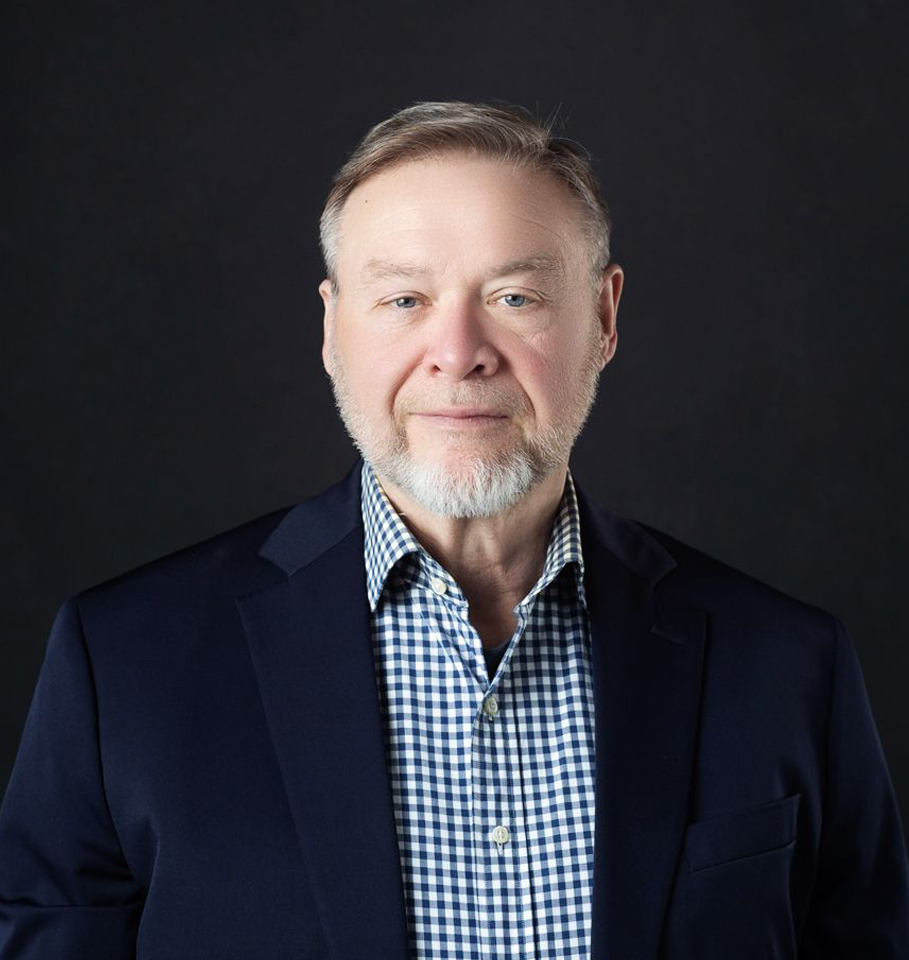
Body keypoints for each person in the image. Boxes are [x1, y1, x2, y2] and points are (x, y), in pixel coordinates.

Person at [0, 100, 906, 960]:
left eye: (514, 296)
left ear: (603, 317)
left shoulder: (789, 665)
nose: (458, 349)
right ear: (331, 329)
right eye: (403, 300)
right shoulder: (121, 663)